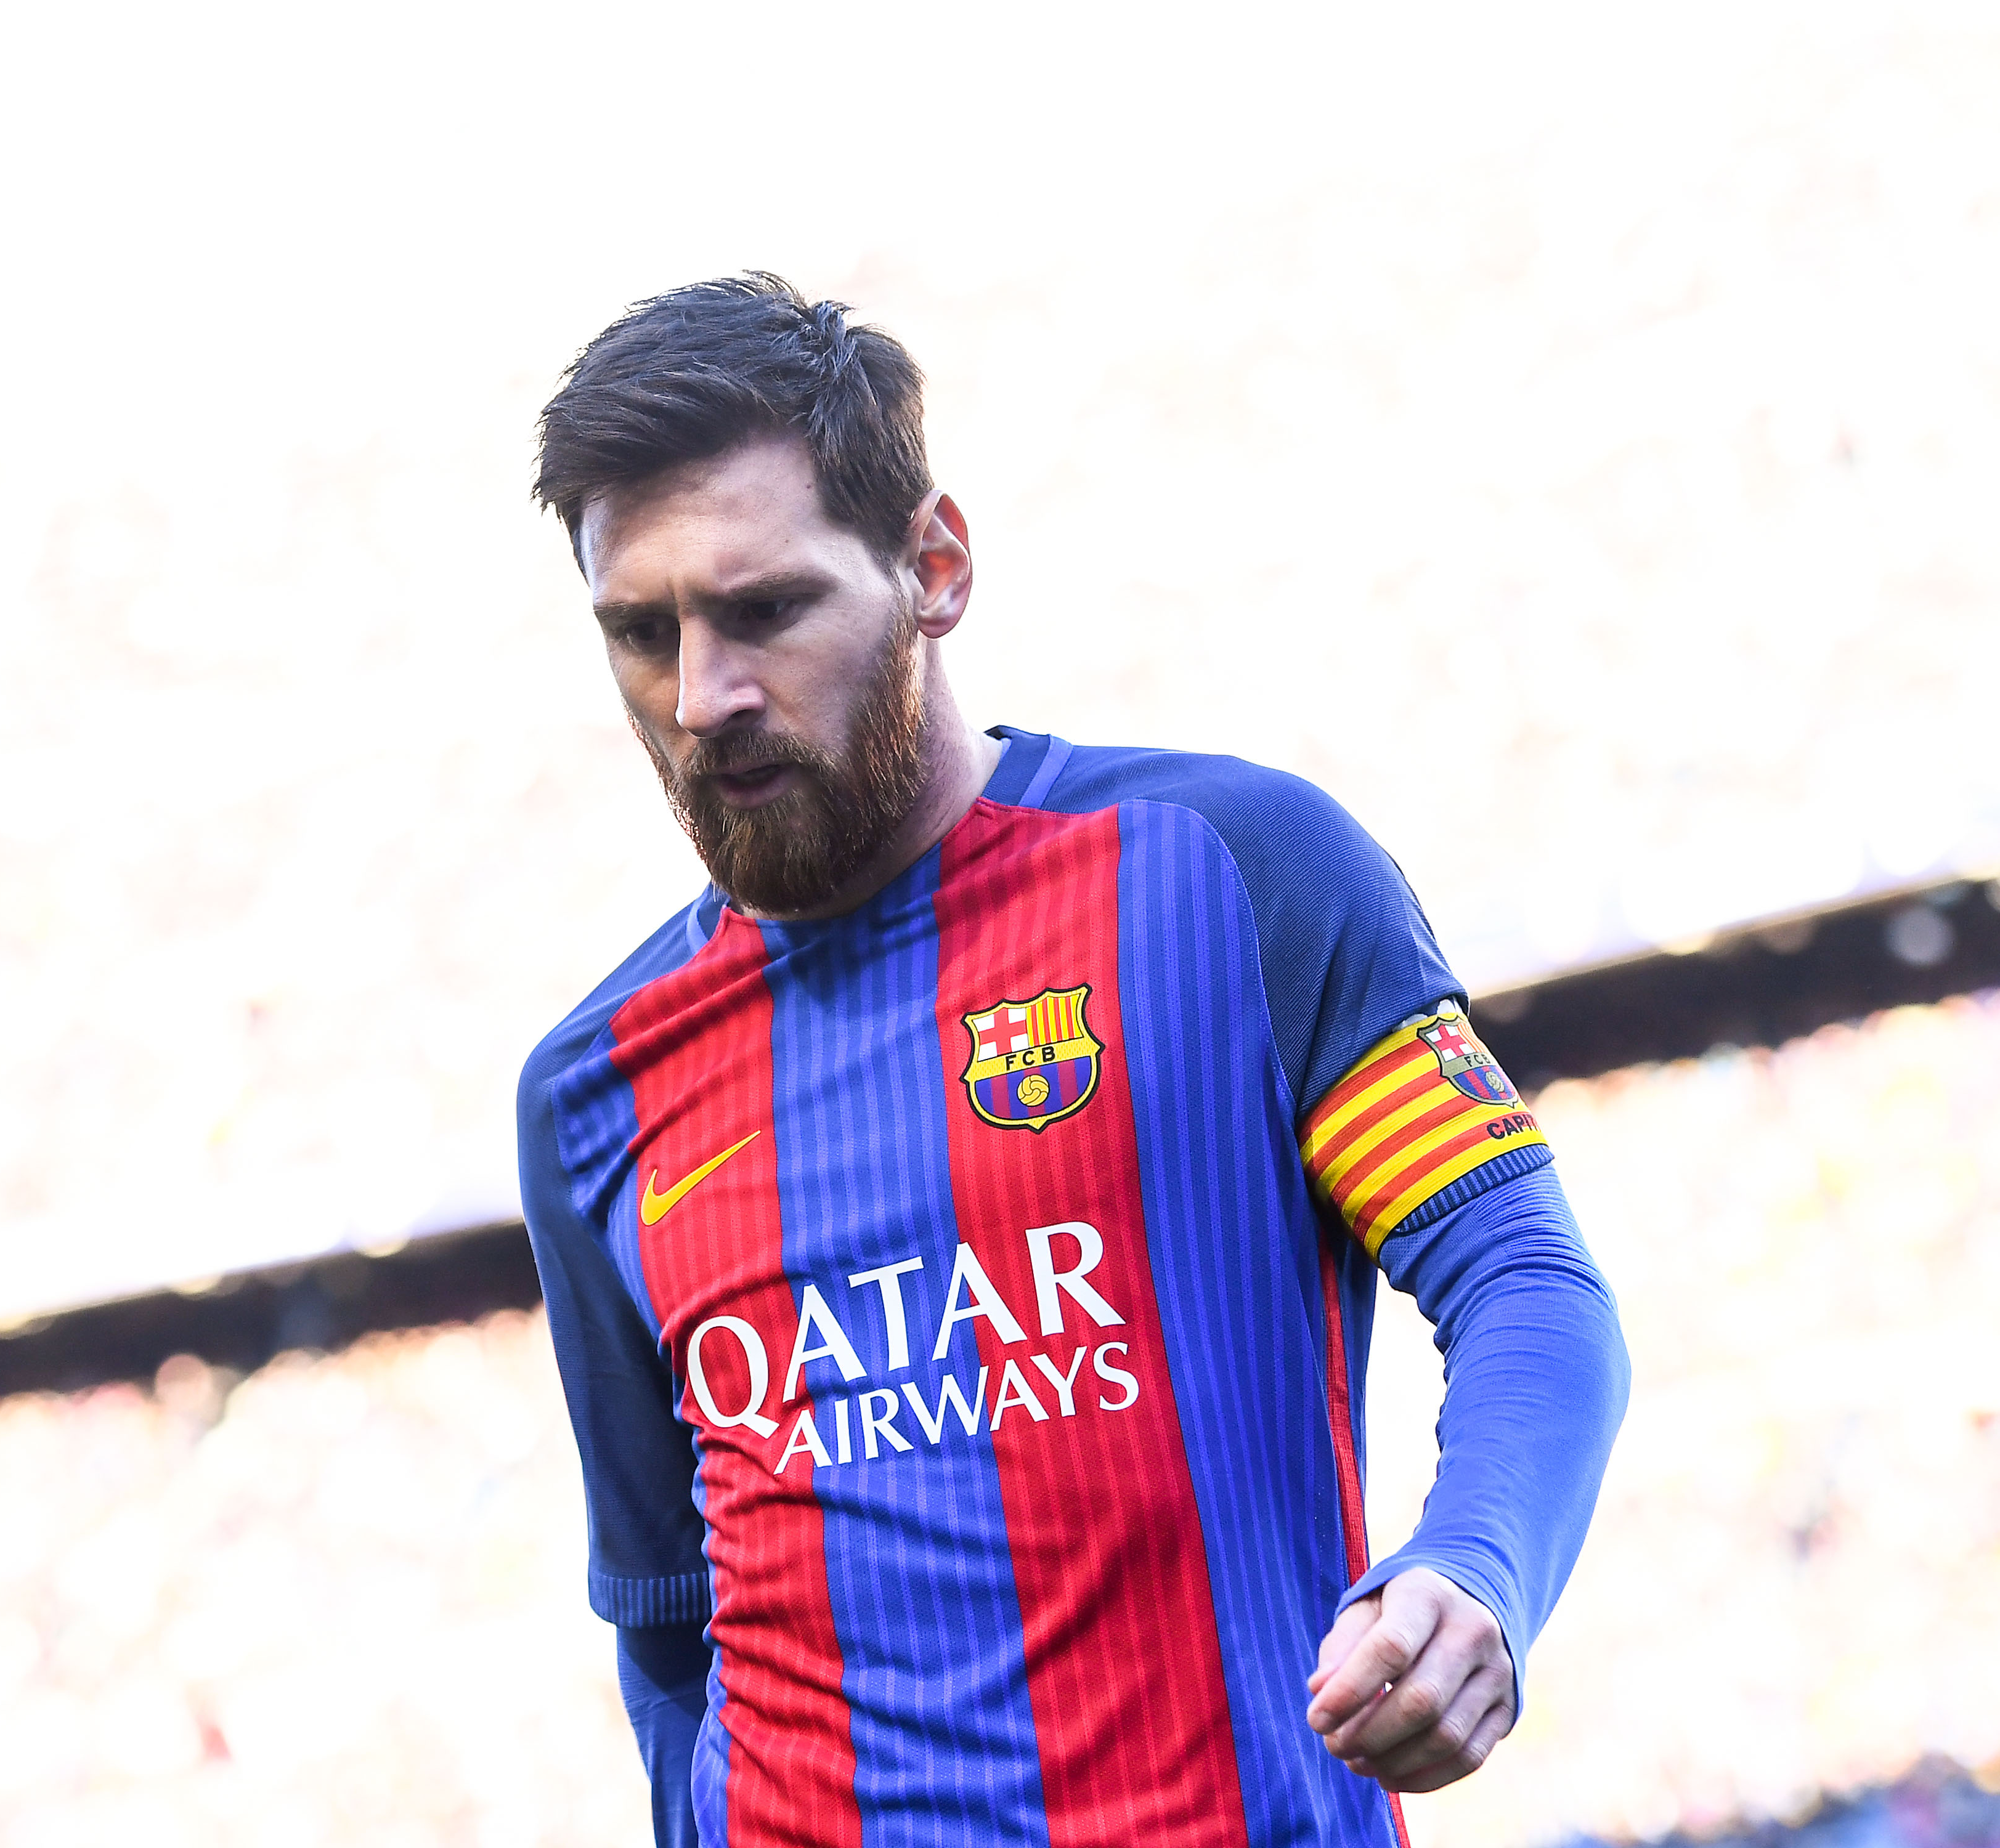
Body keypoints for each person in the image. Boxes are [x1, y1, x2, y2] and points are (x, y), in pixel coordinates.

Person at [514, 274, 1629, 1848]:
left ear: (934, 567)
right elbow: (666, 1631)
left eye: (763, 610)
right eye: (643, 634)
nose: (704, 698)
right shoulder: (593, 1096)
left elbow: (1524, 1278)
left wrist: (1476, 1571)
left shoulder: (1234, 877)